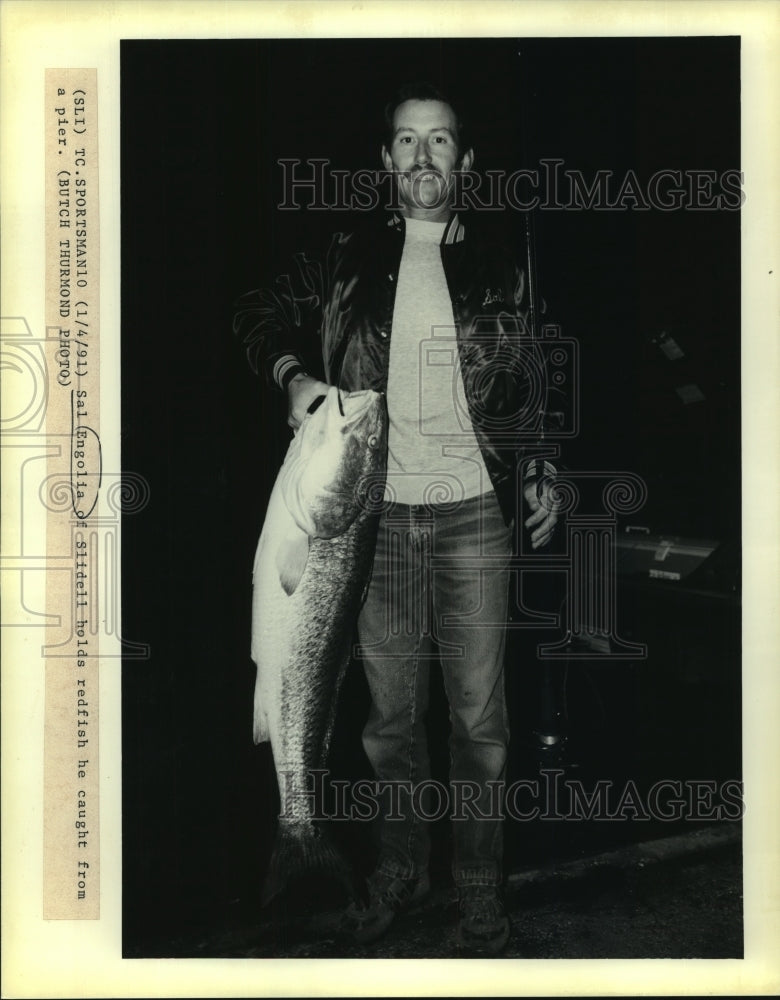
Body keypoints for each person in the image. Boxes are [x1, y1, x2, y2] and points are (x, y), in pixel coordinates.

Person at [234, 81, 560, 955]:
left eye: (442, 141)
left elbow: (534, 376)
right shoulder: (345, 255)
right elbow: (257, 313)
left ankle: (481, 891)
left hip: (474, 521)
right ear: (385, 161)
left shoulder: (506, 255)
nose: (424, 158)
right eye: (408, 142)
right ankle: (399, 873)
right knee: (387, 726)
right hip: (366, 528)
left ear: (466, 160)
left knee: (481, 723)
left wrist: (542, 468)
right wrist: (294, 376)